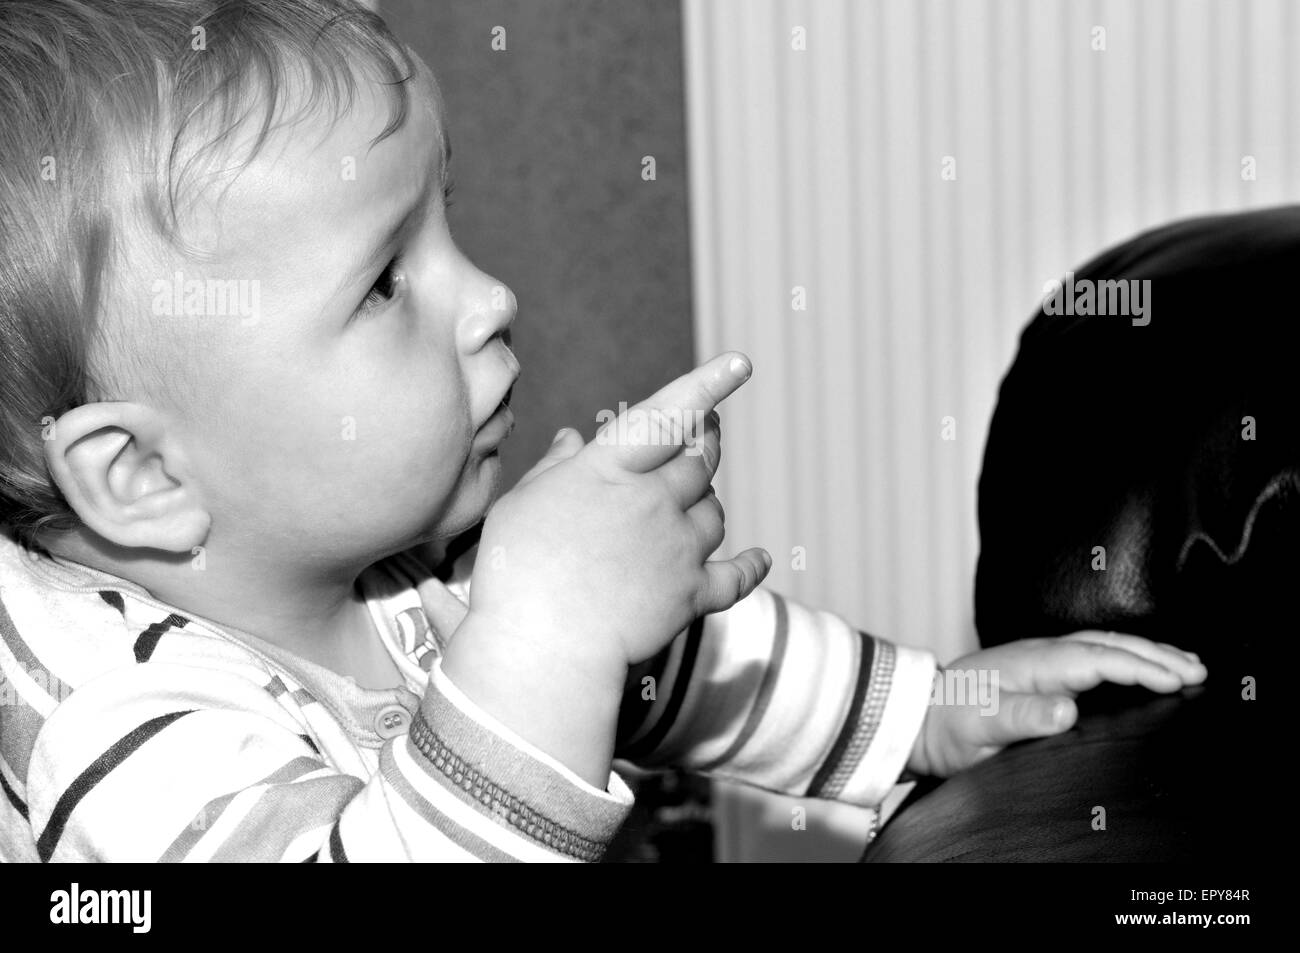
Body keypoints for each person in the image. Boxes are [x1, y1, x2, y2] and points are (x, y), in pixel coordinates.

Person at [0, 0, 1205, 862]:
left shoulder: (405, 558)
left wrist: (920, 710)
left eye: (445, 222)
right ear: (143, 473)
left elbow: (663, 670)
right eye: (383, 283)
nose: (491, 297)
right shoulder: (123, 744)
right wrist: (549, 634)